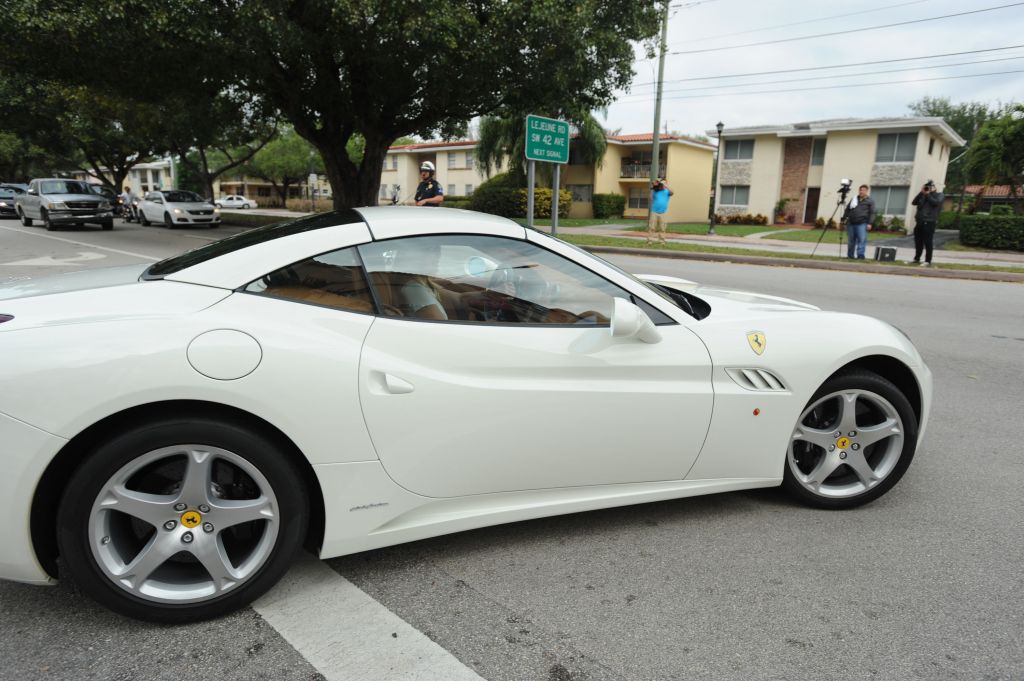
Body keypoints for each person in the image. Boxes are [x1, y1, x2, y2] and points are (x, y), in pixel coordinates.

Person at [911, 180, 943, 266]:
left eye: (931, 187)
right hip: (919, 221)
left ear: (935, 188)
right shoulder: (923, 195)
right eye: (927, 187)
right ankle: (916, 258)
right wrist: (921, 192)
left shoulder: (939, 195)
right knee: (918, 241)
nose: (928, 188)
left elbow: (935, 203)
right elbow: (914, 202)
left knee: (928, 242)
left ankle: (927, 261)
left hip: (929, 222)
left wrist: (928, 194)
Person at [842, 184, 875, 259]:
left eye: (863, 190)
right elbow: (847, 209)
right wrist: (844, 219)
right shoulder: (854, 199)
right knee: (851, 241)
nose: (861, 191)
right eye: (860, 190)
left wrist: (870, 223)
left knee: (861, 240)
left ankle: (860, 255)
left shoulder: (870, 201)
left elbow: (872, 213)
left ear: (867, 191)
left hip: (862, 224)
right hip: (851, 223)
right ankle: (850, 256)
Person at [646, 178, 673, 245]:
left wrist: (666, 186)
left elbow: (672, 192)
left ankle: (662, 241)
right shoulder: (655, 191)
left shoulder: (667, 191)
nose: (662, 184)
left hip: (663, 212)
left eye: (664, 183)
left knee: (662, 227)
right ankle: (650, 240)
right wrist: (652, 188)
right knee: (652, 227)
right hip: (654, 211)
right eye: (662, 183)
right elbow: (651, 198)